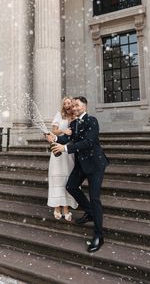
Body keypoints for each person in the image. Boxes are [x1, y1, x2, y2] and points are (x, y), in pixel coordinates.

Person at [46, 96, 109, 252]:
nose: (74, 108)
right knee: (71, 186)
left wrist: (65, 149)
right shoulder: (73, 123)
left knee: (95, 198)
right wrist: (54, 137)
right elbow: (66, 137)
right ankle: (90, 212)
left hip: (95, 164)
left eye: (77, 105)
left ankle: (99, 236)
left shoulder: (92, 121)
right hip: (81, 164)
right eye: (73, 106)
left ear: (85, 106)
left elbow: (88, 142)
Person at [47, 96, 78, 221]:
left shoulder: (75, 117)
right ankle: (56, 206)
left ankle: (66, 207)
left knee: (67, 177)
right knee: (57, 177)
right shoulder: (59, 115)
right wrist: (63, 130)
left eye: (69, 103)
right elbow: (54, 131)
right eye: (65, 103)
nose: (67, 105)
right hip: (57, 150)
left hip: (69, 151)